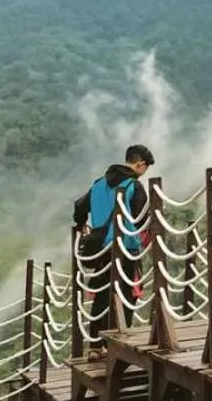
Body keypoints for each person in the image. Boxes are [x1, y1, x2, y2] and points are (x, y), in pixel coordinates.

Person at [72, 144, 152, 360]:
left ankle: (96, 347)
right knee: (127, 296)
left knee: (101, 296)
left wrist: (81, 225)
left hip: (101, 251)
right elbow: (142, 219)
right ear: (139, 164)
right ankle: (118, 346)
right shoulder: (134, 186)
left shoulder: (97, 184)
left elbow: (80, 207)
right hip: (126, 249)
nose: (144, 173)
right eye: (145, 168)